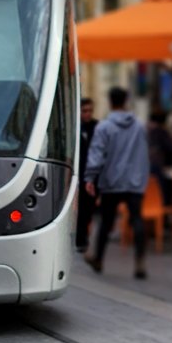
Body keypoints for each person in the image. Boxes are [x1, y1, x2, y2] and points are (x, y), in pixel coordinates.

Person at [84, 87, 150, 279]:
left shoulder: (104, 127)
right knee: (137, 220)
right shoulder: (139, 126)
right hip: (135, 182)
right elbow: (145, 153)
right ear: (126, 101)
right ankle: (140, 263)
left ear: (110, 102)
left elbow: (96, 155)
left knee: (106, 221)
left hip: (111, 181)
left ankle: (98, 259)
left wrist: (90, 177)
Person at [75, 98, 99, 252]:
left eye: (90, 111)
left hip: (94, 174)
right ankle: (80, 239)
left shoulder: (97, 127)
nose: (88, 114)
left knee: (89, 208)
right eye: (84, 111)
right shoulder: (74, 127)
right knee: (81, 208)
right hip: (79, 173)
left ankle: (84, 236)